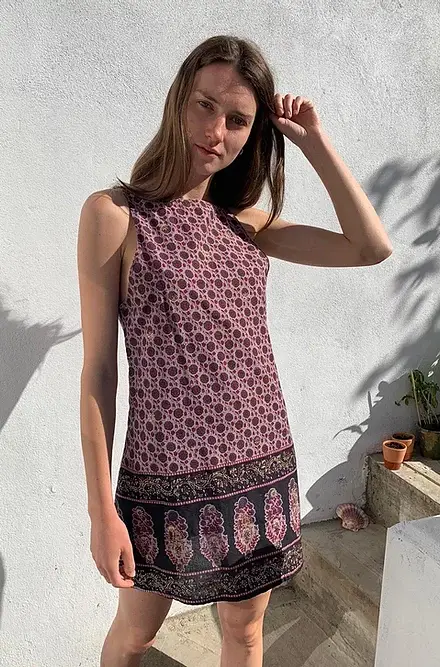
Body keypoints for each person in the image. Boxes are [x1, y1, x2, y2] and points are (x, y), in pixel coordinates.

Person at [77, 34, 392, 667]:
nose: (216, 131)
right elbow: (99, 372)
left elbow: (370, 247)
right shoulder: (115, 214)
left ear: (254, 133)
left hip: (259, 470)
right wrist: (101, 509)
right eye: (205, 105)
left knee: (244, 635)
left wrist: (313, 142)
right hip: (162, 477)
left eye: (238, 119)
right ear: (179, 101)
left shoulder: (246, 222)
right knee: (136, 634)